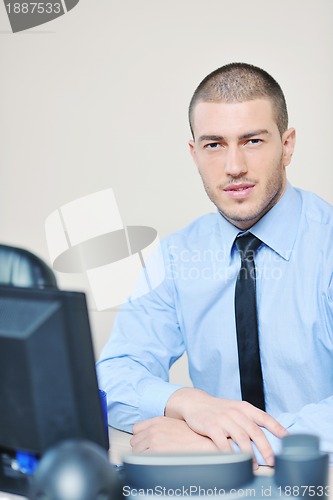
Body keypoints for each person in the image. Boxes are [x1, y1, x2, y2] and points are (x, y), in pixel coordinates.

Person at [97, 63, 333, 468]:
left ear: (288, 145)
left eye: (253, 140)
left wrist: (233, 446)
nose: (234, 166)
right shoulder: (176, 256)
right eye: (214, 145)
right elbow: (113, 376)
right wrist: (186, 401)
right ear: (194, 153)